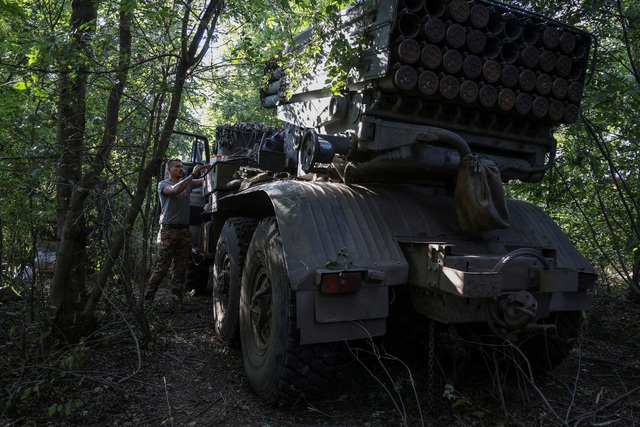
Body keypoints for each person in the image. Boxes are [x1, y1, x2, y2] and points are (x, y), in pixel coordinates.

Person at [144, 158, 209, 306]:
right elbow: (175, 190)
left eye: (181, 167)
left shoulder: (189, 184)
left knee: (180, 268)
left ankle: (176, 302)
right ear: (169, 169)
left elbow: (205, 181)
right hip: (168, 230)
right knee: (162, 267)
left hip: (184, 231)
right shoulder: (164, 184)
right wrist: (192, 175)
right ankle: (147, 299)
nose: (181, 169)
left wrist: (208, 169)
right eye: (177, 167)